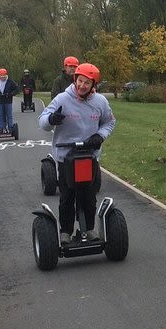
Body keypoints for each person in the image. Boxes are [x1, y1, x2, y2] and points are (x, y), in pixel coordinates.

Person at [39, 63, 115, 244]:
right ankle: (65, 232)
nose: (82, 86)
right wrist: (51, 119)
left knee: (88, 196)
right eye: (80, 81)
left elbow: (109, 122)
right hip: (66, 156)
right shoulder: (62, 99)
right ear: (75, 79)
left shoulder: (100, 102)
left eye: (87, 83)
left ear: (93, 85)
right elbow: (42, 121)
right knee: (67, 196)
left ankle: (88, 229)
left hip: (90, 155)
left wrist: (100, 135)